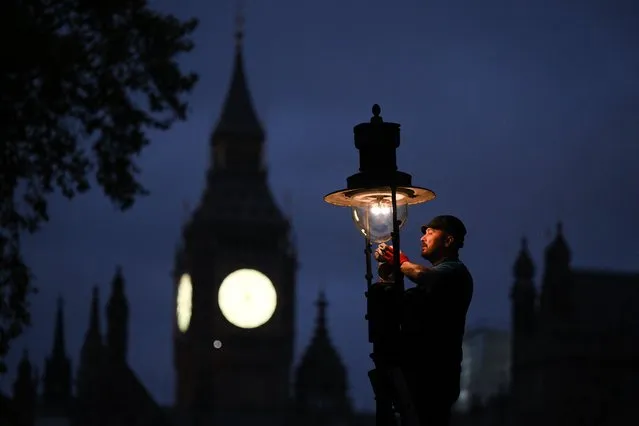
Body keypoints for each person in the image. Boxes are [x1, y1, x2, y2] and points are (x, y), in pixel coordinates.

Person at [374, 214, 473, 426]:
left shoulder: (454, 271)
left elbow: (422, 275)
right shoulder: (435, 280)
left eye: (430, 233)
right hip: (417, 373)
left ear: (448, 241)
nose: (423, 238)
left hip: (434, 377)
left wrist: (400, 261)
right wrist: (392, 270)